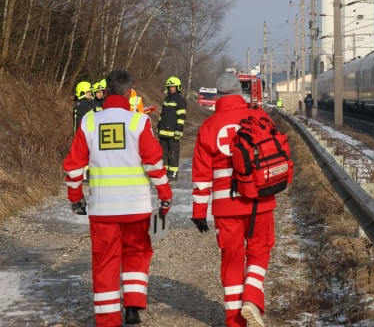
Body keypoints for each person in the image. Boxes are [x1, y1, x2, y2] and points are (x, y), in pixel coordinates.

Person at [63, 69, 172, 327]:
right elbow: (154, 164)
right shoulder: (138, 122)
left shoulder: (89, 122)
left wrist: (75, 198)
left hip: (102, 210)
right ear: (129, 90)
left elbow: (74, 167)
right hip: (136, 207)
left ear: (107, 90)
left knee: (104, 263)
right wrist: (165, 195)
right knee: (137, 253)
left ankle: (107, 320)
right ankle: (133, 307)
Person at [191, 72, 276, 327]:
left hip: (225, 206)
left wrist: (198, 211)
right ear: (240, 92)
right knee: (259, 251)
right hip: (260, 200)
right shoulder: (259, 117)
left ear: (218, 96)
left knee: (232, 259)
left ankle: (234, 321)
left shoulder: (208, 127)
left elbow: (202, 174)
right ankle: (251, 297)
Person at [157, 76, 187, 180]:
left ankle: (173, 174)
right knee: (163, 154)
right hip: (163, 133)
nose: (171, 88)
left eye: (173, 87)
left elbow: (181, 117)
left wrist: (179, 130)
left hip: (173, 133)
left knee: (173, 153)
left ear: (177, 87)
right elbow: (162, 115)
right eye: (169, 87)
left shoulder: (180, 100)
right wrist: (158, 128)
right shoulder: (166, 99)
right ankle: (164, 172)